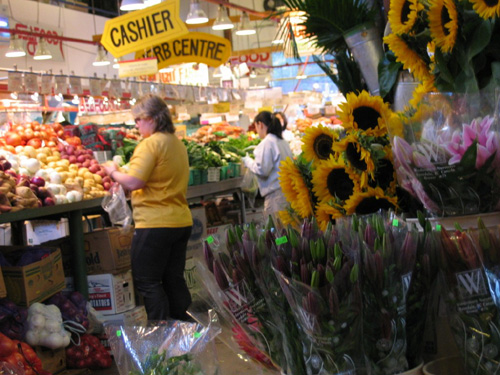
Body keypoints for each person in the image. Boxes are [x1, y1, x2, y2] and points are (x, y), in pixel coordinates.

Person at [103, 94, 193, 321]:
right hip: (180, 221)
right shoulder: (177, 143)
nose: (136, 125)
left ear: (151, 118)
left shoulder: (150, 144)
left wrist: (112, 171)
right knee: (173, 280)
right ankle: (186, 336)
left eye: (138, 120)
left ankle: (161, 340)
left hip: (155, 223)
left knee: (148, 281)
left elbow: (135, 181)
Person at [242, 111, 294, 218]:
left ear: (260, 124)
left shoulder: (267, 142)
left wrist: (247, 161)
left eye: (256, 126)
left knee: (278, 231)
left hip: (276, 197)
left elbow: (262, 171)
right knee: (288, 229)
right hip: (288, 193)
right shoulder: (282, 141)